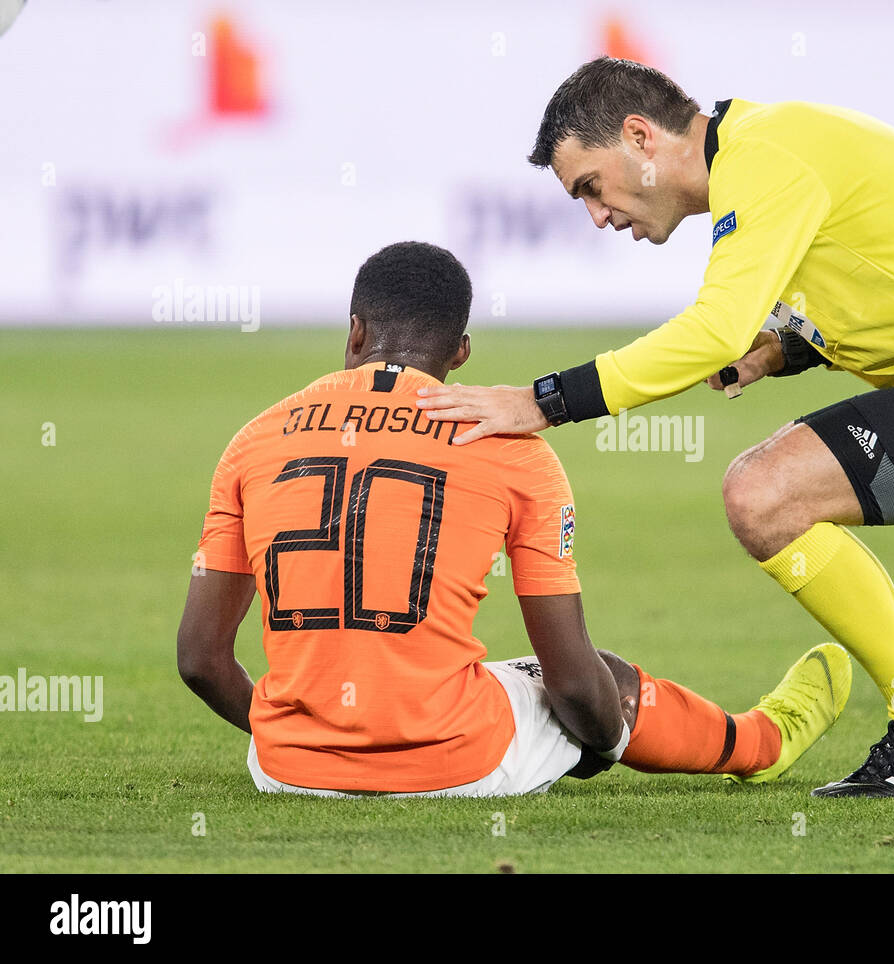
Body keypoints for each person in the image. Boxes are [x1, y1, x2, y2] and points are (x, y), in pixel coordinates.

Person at [415, 58, 894, 799]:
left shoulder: (763, 157)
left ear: (640, 137)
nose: (596, 215)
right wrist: (784, 349)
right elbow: (889, 278)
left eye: (590, 186)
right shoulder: (761, 149)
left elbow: (715, 328)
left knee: (765, 492)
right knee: (768, 496)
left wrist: (541, 401)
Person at [176, 241, 850, 798]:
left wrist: (296, 735)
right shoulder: (508, 448)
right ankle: (762, 742)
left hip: (286, 771)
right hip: (458, 764)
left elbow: (201, 660)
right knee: (601, 678)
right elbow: (572, 681)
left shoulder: (255, 439)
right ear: (460, 352)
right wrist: (604, 739)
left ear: (354, 330)